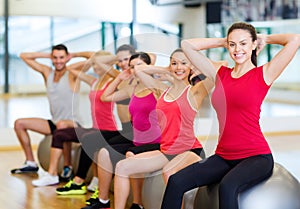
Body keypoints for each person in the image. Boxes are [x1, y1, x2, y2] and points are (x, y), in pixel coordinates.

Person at [161, 22, 300, 209]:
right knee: (176, 182)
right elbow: (187, 45)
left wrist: (265, 38)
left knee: (228, 186)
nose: (237, 49)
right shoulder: (220, 74)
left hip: (256, 156)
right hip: (224, 156)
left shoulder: (264, 73)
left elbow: (294, 39)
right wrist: (222, 41)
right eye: (233, 44)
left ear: (253, 45)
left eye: (243, 43)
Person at [103, 48, 215, 209]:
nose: (179, 67)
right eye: (174, 63)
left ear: (191, 66)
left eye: (184, 63)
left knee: (169, 172)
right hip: (167, 151)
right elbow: (140, 70)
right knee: (122, 167)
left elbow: (217, 69)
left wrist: (194, 64)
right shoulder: (161, 90)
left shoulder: (194, 91)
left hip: (190, 150)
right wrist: (167, 69)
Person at [81, 52, 162, 209]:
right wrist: (120, 77)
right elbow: (105, 97)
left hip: (156, 142)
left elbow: (152, 57)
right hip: (137, 140)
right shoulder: (132, 89)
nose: (135, 70)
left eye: (139, 65)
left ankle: (137, 203)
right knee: (104, 153)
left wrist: (144, 69)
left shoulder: (157, 87)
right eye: (132, 67)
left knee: (130, 156)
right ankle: (103, 201)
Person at [55, 44, 138, 195]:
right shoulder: (121, 77)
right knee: (89, 140)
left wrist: (130, 60)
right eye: (120, 60)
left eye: (127, 60)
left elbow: (151, 58)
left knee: (98, 144)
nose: (123, 63)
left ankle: (97, 185)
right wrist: (75, 54)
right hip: (125, 129)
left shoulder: (134, 79)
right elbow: (96, 62)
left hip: (132, 131)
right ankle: (83, 182)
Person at [31, 50, 121, 187]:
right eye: (94, 65)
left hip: (109, 129)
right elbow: (69, 68)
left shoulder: (114, 82)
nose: (95, 67)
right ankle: (52, 175)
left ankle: (83, 180)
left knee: (88, 139)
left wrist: (100, 60)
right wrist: (76, 55)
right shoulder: (94, 81)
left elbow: (114, 73)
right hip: (94, 127)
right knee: (59, 134)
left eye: (99, 64)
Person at [11, 44, 93, 174]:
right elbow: (23, 56)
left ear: (67, 57)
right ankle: (31, 162)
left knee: (62, 125)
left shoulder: (72, 73)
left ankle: (67, 167)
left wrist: (74, 55)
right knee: (19, 123)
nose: (58, 61)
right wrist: (47, 56)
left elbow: (94, 57)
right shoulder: (47, 72)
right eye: (55, 58)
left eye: (61, 57)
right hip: (54, 122)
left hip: (73, 123)